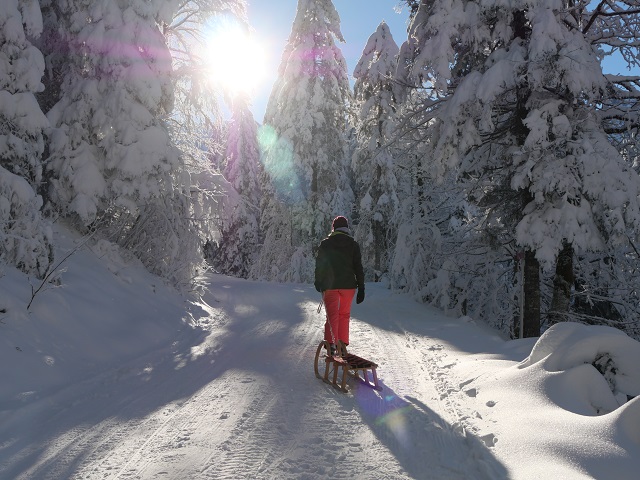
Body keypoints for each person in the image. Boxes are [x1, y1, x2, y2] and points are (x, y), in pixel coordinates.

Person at [314, 216, 365, 356]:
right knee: (344, 314)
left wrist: (318, 281)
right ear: (346, 229)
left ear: (334, 228)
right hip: (348, 287)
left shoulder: (325, 244)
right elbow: (358, 267)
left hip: (330, 286)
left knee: (332, 316)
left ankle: (331, 345)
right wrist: (361, 287)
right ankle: (342, 345)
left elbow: (320, 265)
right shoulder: (353, 245)